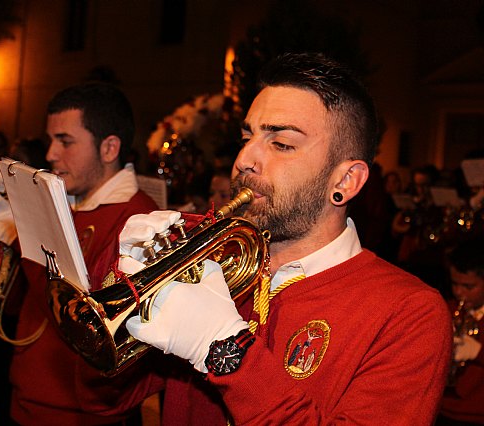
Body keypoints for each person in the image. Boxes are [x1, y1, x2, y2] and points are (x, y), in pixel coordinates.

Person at [115, 53, 453, 424]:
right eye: (247, 137)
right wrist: (127, 286)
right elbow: (102, 400)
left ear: (345, 181)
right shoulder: (214, 268)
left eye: (282, 144)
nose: (245, 158)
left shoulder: (409, 312)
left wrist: (225, 349)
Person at [0, 82, 158, 424]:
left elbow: (77, 316)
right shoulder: (71, 200)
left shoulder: (139, 219)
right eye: (51, 140)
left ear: (109, 148)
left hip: (80, 415)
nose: (50, 154)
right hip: (30, 400)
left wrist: (25, 229)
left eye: (66, 141)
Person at [437, 239, 484, 425]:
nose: (459, 292)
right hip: (443, 408)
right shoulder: (448, 308)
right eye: (455, 284)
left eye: (469, 287)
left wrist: (478, 352)